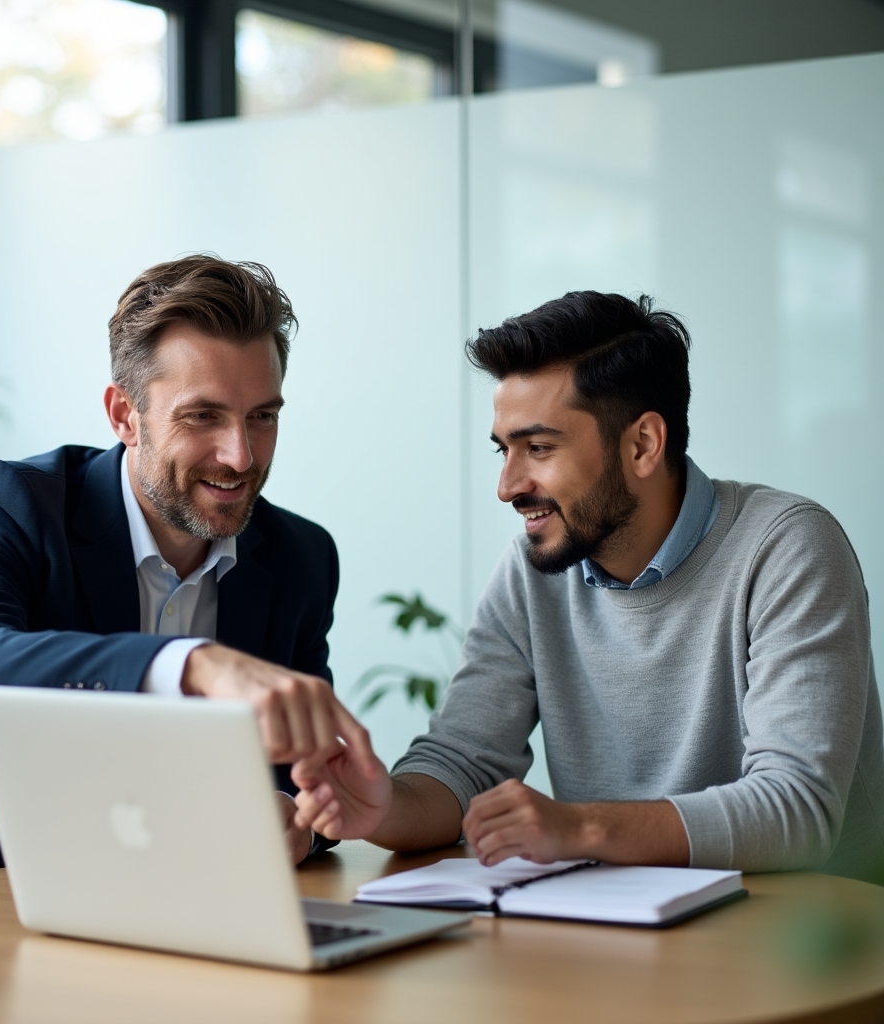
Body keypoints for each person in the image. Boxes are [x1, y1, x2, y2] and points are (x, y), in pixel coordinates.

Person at [293, 291, 884, 884]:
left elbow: (796, 809)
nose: (507, 485)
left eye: (539, 448)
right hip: (618, 932)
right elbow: (459, 762)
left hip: (806, 941)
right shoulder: (532, 567)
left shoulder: (786, 548)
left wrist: (580, 828)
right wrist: (382, 807)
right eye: (505, 450)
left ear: (642, 445)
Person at [0, 254, 375, 884]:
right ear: (124, 415)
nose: (240, 456)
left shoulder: (299, 558)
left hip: (157, 906)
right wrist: (188, 665)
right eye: (202, 416)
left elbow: (300, 776)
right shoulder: (11, 504)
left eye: (262, 416)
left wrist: (297, 821)